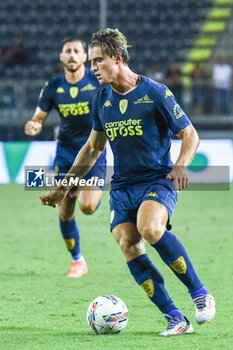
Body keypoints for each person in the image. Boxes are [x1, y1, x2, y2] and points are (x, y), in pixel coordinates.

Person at [40, 29, 215, 336]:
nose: (92, 68)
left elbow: (190, 135)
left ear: (116, 58)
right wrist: (62, 187)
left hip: (156, 180)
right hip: (122, 186)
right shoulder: (102, 99)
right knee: (128, 244)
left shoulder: (155, 93)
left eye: (98, 61)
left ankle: (200, 294)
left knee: (150, 228)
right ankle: (175, 319)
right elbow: (92, 149)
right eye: (91, 61)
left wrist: (180, 167)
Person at [25, 37, 106, 278]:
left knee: (88, 207)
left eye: (76, 51)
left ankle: (81, 186)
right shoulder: (53, 86)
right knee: (65, 211)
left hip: (94, 149)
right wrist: (33, 126)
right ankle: (77, 260)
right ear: (61, 57)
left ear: (84, 57)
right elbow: (38, 118)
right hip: (66, 152)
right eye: (67, 51)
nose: (72, 55)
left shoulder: (97, 81)